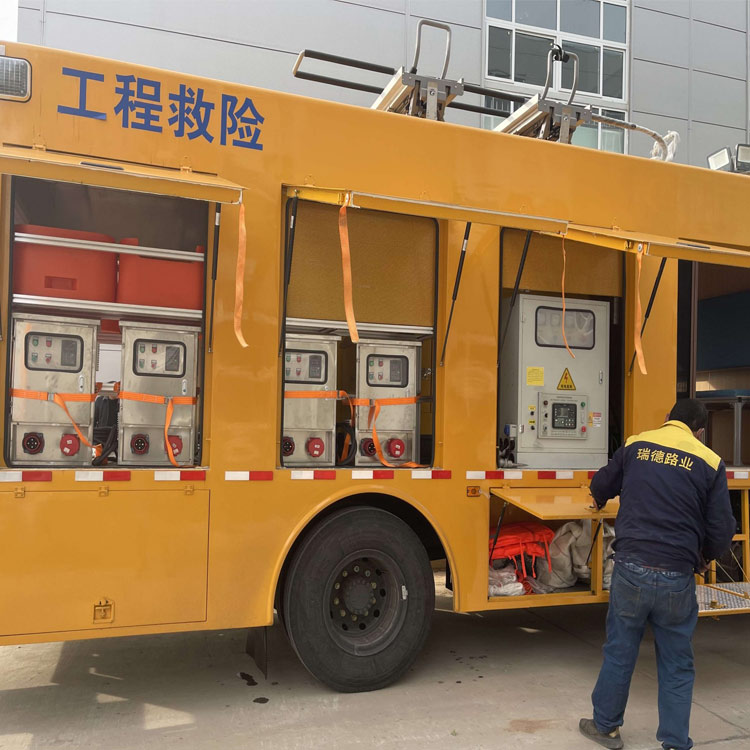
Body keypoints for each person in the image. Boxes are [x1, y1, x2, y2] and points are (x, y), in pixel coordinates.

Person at [579, 399, 735, 750]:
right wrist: (703, 557)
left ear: (667, 419)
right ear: (699, 431)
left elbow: (601, 485)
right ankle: (676, 742)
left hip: (631, 569)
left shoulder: (637, 444)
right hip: (677, 576)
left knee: (620, 651)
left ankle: (605, 728)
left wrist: (601, 498)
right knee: (677, 663)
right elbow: (721, 529)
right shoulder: (710, 462)